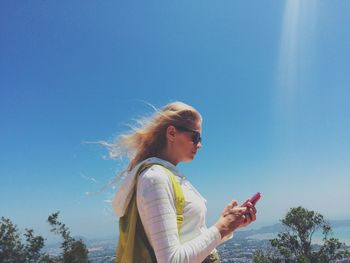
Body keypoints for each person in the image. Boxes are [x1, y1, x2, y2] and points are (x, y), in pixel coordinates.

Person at [110, 101, 257, 263]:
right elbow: (172, 260)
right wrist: (223, 226)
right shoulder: (156, 178)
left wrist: (229, 223)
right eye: (196, 137)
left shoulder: (166, 176)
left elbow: (189, 243)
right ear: (172, 133)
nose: (199, 145)